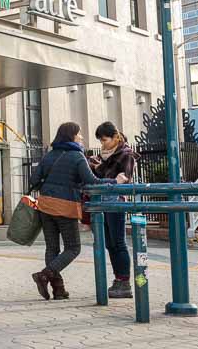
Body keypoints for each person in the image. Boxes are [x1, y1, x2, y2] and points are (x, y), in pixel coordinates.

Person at [28, 122, 129, 301]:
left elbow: (33, 179)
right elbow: (92, 181)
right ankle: (44, 275)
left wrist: (50, 186)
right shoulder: (77, 156)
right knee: (73, 248)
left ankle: (59, 290)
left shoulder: (49, 156)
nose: (81, 137)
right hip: (65, 206)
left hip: (45, 206)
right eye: (79, 134)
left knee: (52, 247)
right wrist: (115, 182)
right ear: (72, 136)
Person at [89, 121, 139, 299]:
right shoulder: (100, 157)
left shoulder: (126, 154)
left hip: (116, 200)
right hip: (102, 200)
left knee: (118, 242)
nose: (102, 144)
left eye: (104, 140)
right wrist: (99, 169)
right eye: (100, 141)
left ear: (115, 137)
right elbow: (99, 176)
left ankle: (124, 282)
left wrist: (98, 168)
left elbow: (123, 178)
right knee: (109, 243)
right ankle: (118, 279)